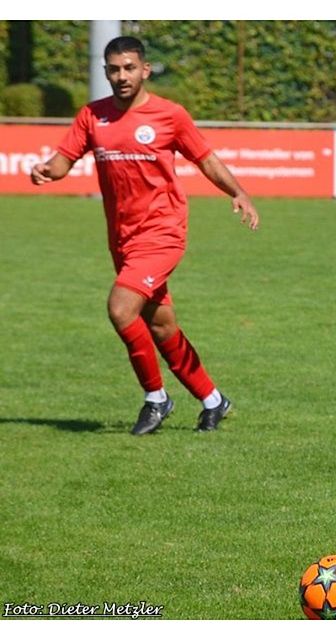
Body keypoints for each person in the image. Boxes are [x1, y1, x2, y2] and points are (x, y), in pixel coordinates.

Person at [30, 36, 259, 435]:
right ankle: (213, 400)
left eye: (129, 68)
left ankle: (156, 398)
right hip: (122, 238)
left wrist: (237, 192)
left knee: (121, 308)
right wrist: (45, 170)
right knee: (161, 325)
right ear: (106, 72)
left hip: (162, 231)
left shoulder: (169, 116)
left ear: (145, 70)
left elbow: (206, 158)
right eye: (114, 69)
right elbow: (64, 161)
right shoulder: (92, 116)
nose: (122, 76)